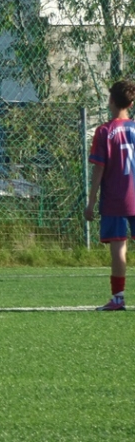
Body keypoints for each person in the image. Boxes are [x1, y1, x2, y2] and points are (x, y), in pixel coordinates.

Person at [86, 79, 135, 311]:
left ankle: (118, 298)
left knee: (118, 244)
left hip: (116, 197)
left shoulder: (105, 131)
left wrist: (91, 200)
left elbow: (99, 169)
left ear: (111, 100)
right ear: (131, 102)